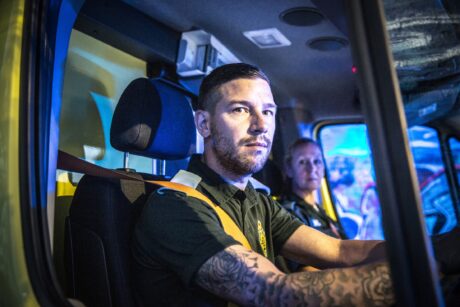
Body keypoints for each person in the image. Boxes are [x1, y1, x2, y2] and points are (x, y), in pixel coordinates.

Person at [131, 63, 395, 306]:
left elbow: (338, 250)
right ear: (204, 123)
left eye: (267, 111)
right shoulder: (175, 208)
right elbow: (277, 293)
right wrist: (410, 277)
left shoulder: (256, 200)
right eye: (240, 110)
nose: (261, 126)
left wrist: (424, 252)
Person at [281, 138, 346, 240]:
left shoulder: (318, 210)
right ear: (289, 169)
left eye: (317, 161)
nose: (312, 169)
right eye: (302, 162)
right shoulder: (288, 214)